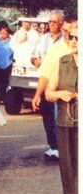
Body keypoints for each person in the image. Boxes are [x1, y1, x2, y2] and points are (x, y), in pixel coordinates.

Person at [45, 27, 78, 194]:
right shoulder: (63, 61)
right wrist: (58, 93)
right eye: (71, 37)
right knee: (70, 175)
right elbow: (49, 93)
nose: (74, 41)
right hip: (66, 123)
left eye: (78, 37)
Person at [32, 14, 74, 159]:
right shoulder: (56, 48)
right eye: (66, 31)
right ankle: (56, 147)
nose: (67, 35)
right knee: (55, 122)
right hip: (57, 95)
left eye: (71, 31)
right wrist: (38, 94)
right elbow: (46, 73)